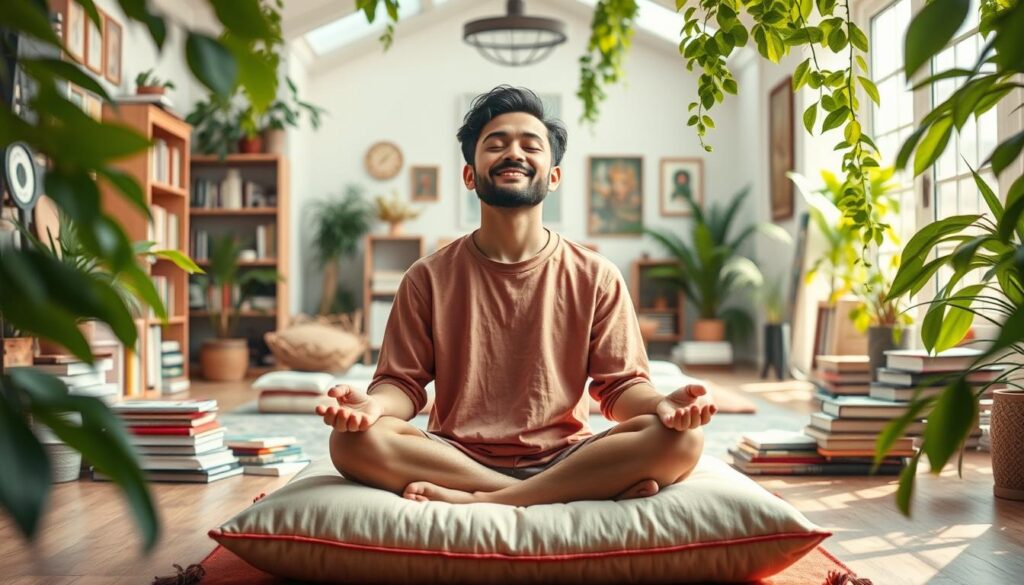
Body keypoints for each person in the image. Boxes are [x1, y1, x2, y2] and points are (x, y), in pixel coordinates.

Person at [317, 86, 716, 506]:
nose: (514, 153)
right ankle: (545, 494)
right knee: (352, 443)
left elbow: (620, 390)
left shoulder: (598, 275)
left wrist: (662, 404)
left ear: (553, 176)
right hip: (453, 455)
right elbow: (402, 385)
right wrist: (372, 407)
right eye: (496, 144)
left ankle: (486, 500)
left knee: (682, 439)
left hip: (565, 457)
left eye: (531, 145)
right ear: (470, 174)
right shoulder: (426, 277)